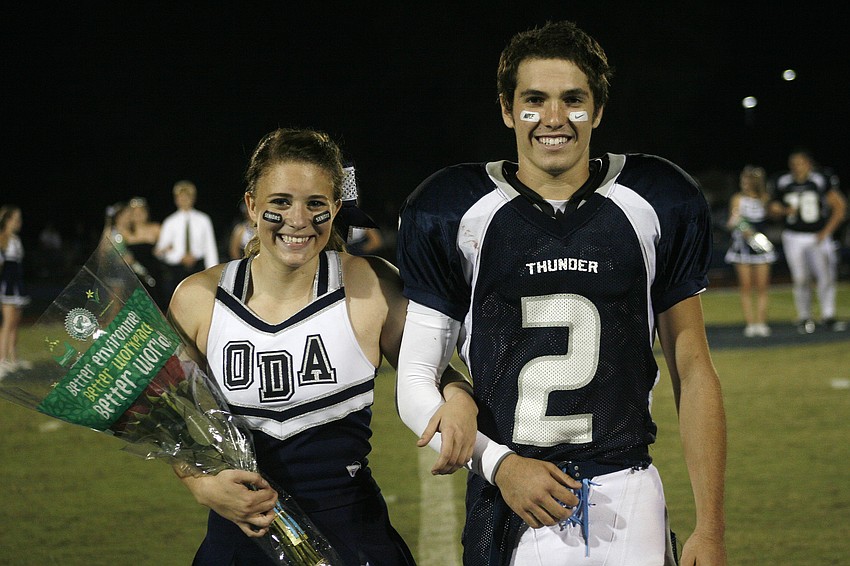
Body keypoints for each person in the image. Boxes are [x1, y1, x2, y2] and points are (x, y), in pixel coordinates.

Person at [395, 20, 727, 566]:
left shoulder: (656, 199)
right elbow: (414, 378)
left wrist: (710, 527)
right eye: (534, 100)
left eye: (573, 100)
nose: (553, 118)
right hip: (510, 496)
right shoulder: (453, 209)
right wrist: (500, 465)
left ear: (596, 111)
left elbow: (693, 367)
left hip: (627, 489)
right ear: (507, 110)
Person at [167, 127, 467, 565]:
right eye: (280, 203)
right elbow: (170, 417)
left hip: (352, 534)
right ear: (252, 205)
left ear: (336, 207)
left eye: (315, 205)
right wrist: (200, 484)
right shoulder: (197, 299)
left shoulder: (372, 285)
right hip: (241, 537)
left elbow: (433, 370)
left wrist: (459, 397)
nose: (298, 220)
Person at [769, 149, 847, 333]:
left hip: (817, 235)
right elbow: (771, 208)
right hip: (793, 236)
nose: (797, 167)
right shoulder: (783, 181)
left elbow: (840, 207)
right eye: (794, 164)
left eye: (801, 163)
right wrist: (780, 210)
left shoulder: (820, 180)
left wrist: (826, 232)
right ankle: (804, 317)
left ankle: (828, 315)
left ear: (809, 164)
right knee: (800, 278)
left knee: (825, 276)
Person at [724, 165, 776, 337]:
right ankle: (750, 324)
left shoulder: (765, 199)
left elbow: (773, 218)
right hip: (742, 248)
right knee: (745, 287)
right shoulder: (737, 199)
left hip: (760, 247)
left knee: (762, 287)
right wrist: (739, 225)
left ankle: (761, 322)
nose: (744, 183)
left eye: (748, 180)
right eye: (743, 180)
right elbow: (731, 222)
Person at [155, 179, 219, 303]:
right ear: (176, 199)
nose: (184, 200)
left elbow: (210, 248)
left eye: (187, 197)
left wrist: (214, 273)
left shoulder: (203, 219)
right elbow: (160, 250)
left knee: (200, 300)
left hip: (198, 266)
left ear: (193, 198)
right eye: (180, 197)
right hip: (177, 270)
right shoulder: (170, 222)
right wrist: (178, 257)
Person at [0, 205, 31, 371]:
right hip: (8, 285)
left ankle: (13, 358)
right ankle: (1, 360)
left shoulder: (16, 239)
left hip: (18, 284)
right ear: (8, 220)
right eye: (17, 219)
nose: (20, 222)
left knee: (15, 323)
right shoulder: (2, 238)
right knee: (8, 322)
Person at [126, 197, 165, 309]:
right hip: (133, 276)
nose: (138, 215)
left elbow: (171, 246)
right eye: (135, 212)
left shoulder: (156, 228)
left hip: (154, 273)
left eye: (141, 211)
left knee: (157, 303)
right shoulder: (125, 232)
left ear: (147, 212)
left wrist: (162, 251)